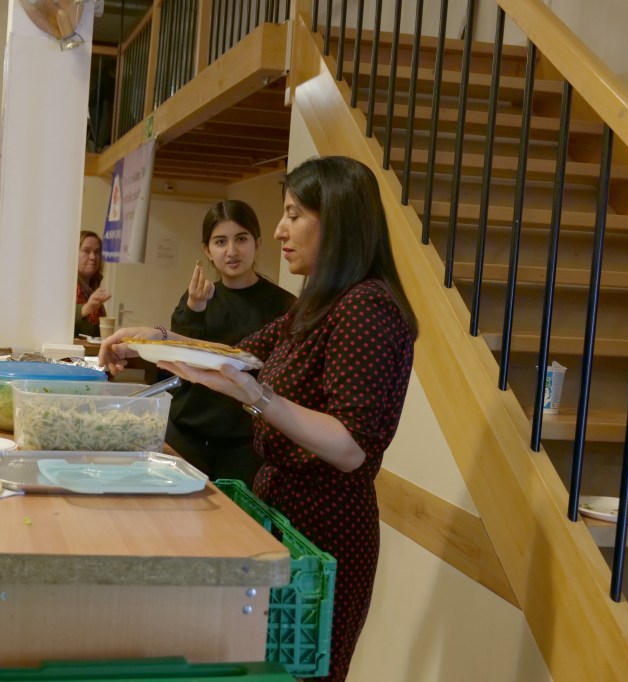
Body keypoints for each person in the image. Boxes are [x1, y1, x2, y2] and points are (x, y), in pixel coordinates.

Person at [101, 156, 418, 681]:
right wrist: (154, 340)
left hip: (326, 527)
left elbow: (349, 447)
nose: (279, 231)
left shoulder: (367, 307)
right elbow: (238, 356)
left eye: (293, 215)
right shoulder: (320, 302)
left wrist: (257, 395)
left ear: (336, 220)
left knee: (300, 670)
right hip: (284, 511)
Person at [167, 200, 295, 486]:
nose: (232, 251)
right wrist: (194, 308)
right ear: (207, 250)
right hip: (186, 435)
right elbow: (180, 361)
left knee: (236, 514)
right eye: (220, 241)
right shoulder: (195, 299)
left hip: (246, 442)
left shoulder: (285, 306)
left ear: (257, 243)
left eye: (241, 239)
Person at [75, 230, 111, 337]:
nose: (93, 257)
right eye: (86, 251)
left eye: (96, 252)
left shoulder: (94, 287)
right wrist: (86, 308)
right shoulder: (66, 284)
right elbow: (56, 321)